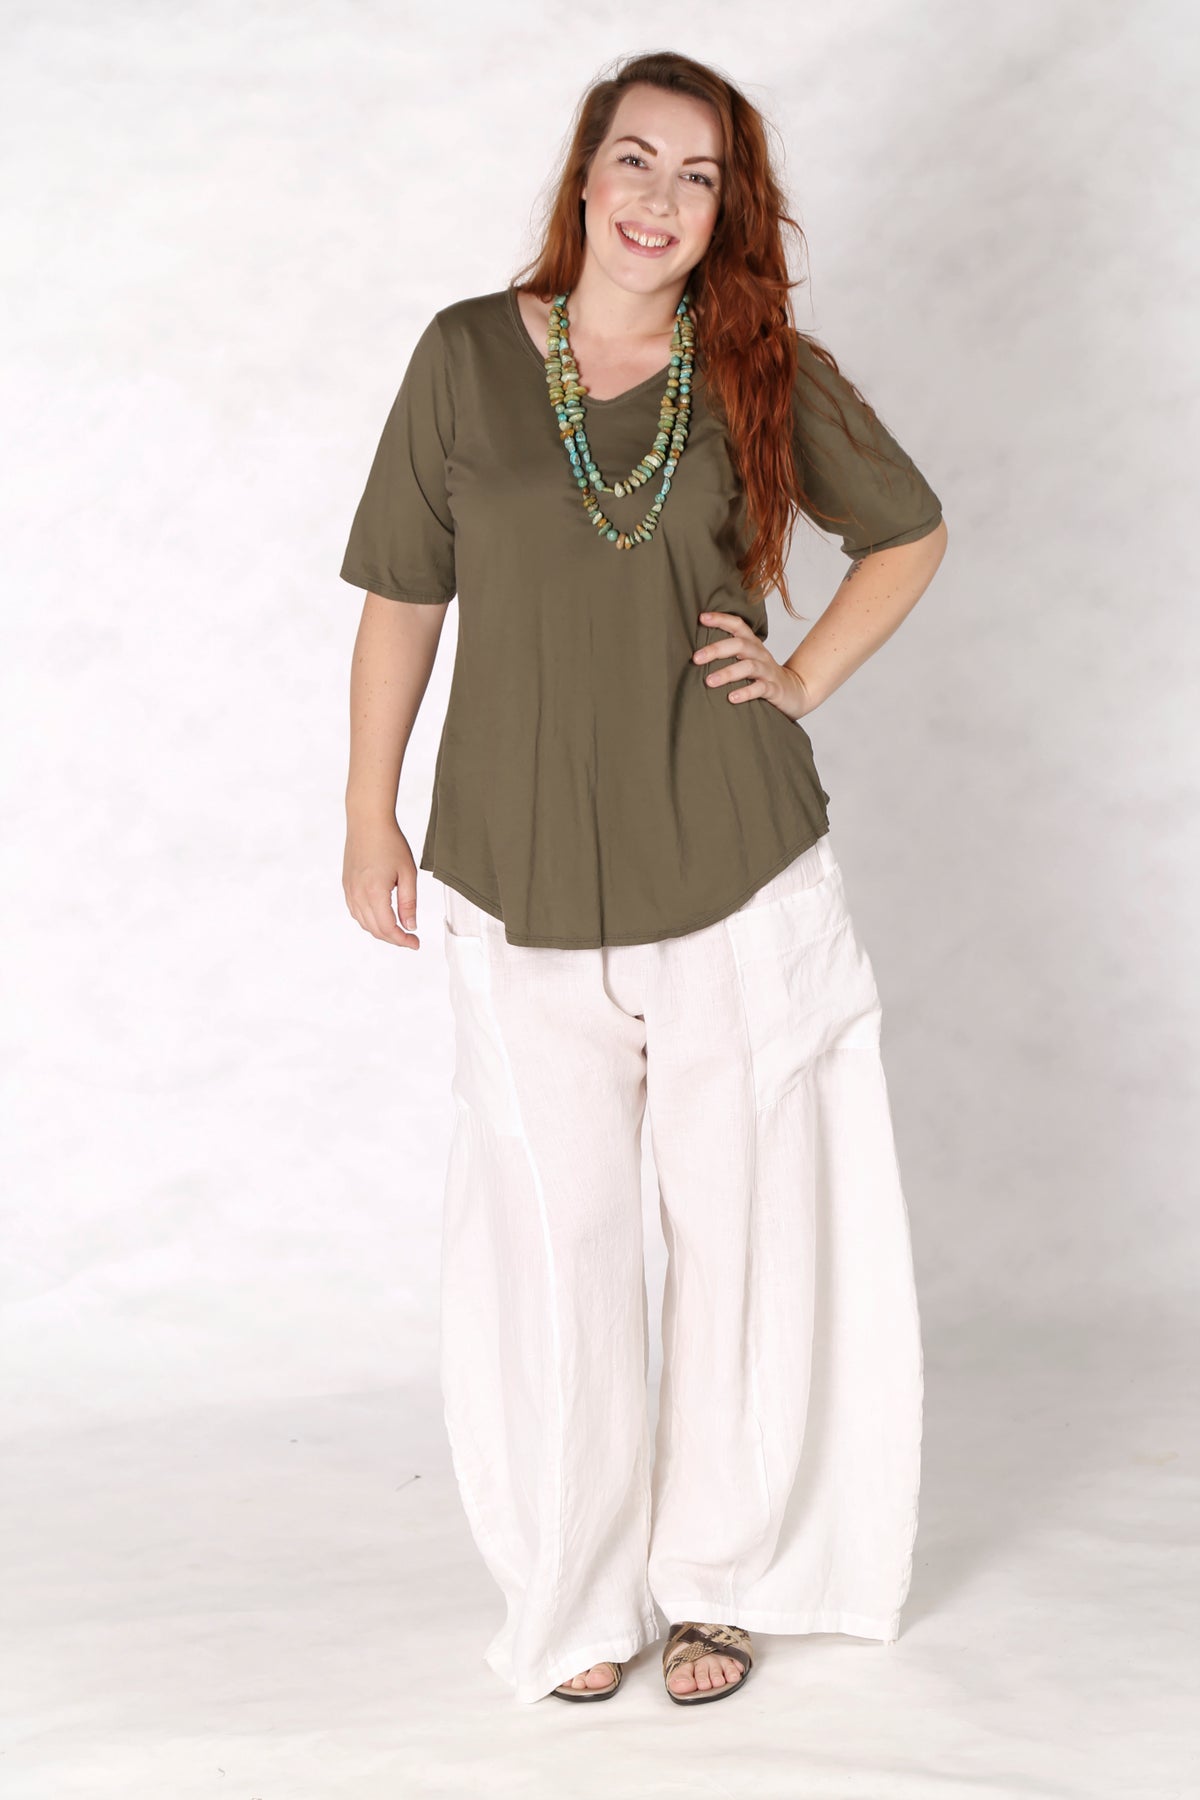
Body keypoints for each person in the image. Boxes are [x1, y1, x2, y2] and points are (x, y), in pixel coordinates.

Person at [339, 50, 947, 1709]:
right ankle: (577, 1592)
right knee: (560, 1244)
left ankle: (722, 1585)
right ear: (585, 172)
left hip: (732, 865)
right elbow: (402, 599)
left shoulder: (754, 369)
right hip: (510, 864)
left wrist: (802, 676)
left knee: (739, 1234)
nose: (658, 198)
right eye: (635, 157)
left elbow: (906, 530)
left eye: (698, 175)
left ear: (726, 210)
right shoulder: (466, 357)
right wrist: (368, 816)